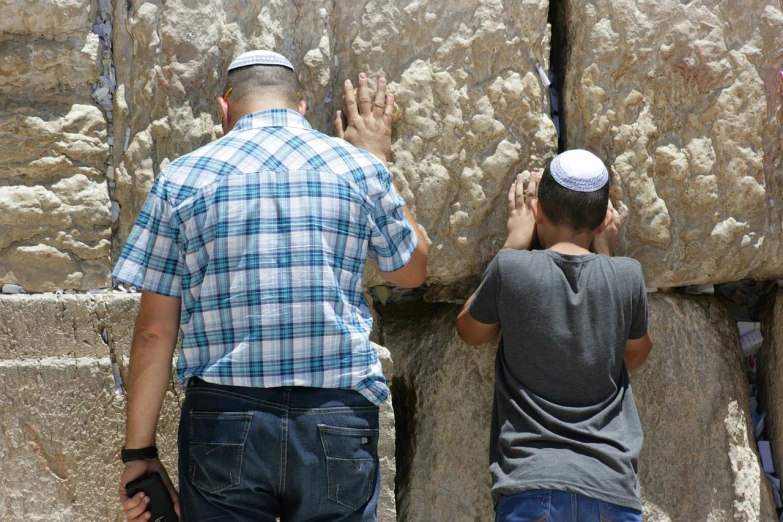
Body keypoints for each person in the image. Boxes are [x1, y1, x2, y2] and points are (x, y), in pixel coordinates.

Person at [115, 50, 428, 522]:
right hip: (335, 416)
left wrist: (137, 452)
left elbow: (154, 332)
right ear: (300, 106)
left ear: (225, 110)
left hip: (224, 420)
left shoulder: (180, 179)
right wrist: (378, 161)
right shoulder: (358, 169)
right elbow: (411, 271)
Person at [456, 149, 653, 522]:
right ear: (601, 223)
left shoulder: (512, 268)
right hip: (612, 488)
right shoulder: (626, 276)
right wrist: (606, 255)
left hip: (531, 486)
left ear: (537, 211)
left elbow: (469, 330)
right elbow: (635, 354)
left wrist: (513, 242)